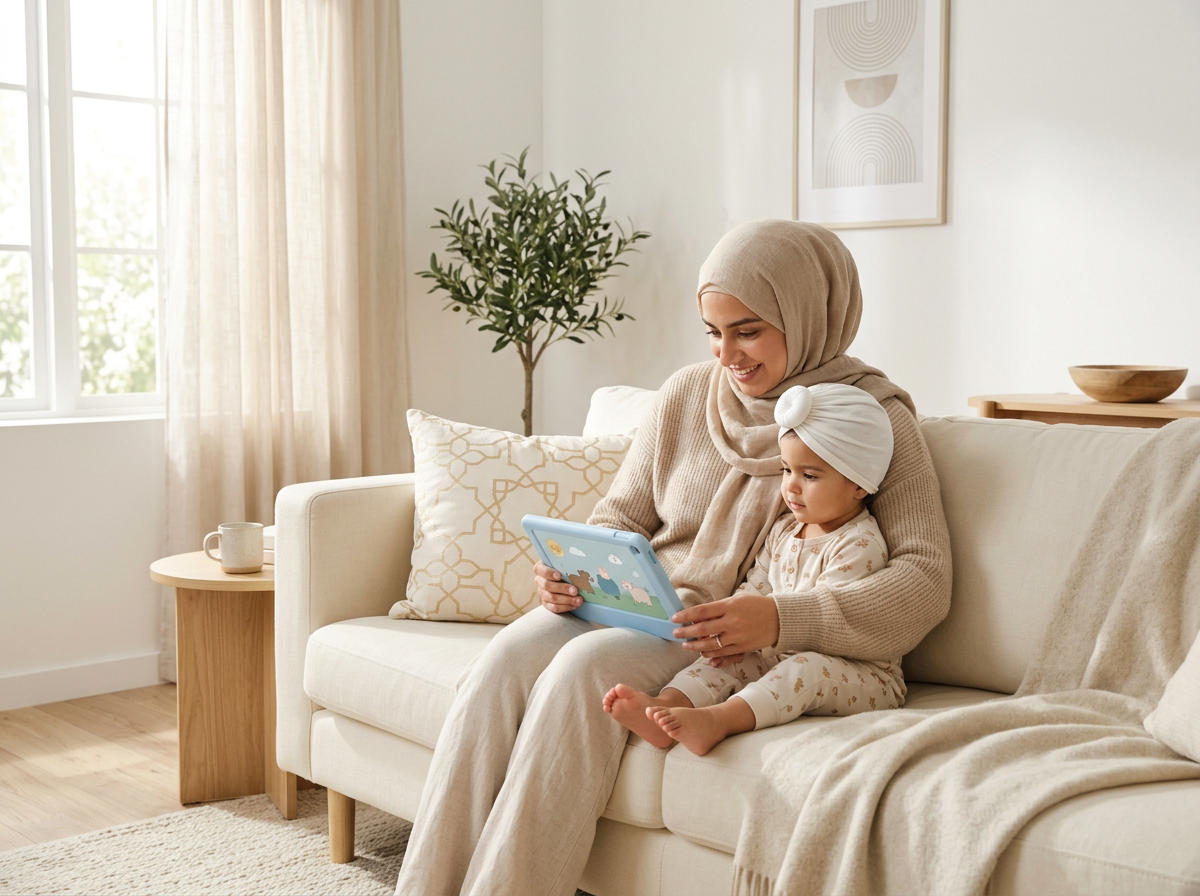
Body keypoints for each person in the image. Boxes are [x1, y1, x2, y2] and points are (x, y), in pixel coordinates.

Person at [395, 220, 952, 896]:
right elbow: (620, 515)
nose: (728, 356)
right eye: (713, 333)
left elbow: (923, 581)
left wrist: (781, 618)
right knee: (502, 662)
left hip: (712, 626)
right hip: (632, 594)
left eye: (747, 331)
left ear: (810, 314)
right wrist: (573, 571)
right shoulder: (687, 394)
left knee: (582, 672)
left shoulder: (870, 417)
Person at [603, 382, 903, 757]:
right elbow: (754, 590)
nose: (790, 487)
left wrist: (760, 638)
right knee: (724, 658)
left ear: (859, 484)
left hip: (859, 675)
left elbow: (829, 632)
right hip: (780, 653)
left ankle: (719, 720)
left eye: (809, 476)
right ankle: (665, 706)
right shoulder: (782, 531)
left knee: (807, 668)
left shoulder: (859, 544)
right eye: (786, 470)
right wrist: (732, 637)